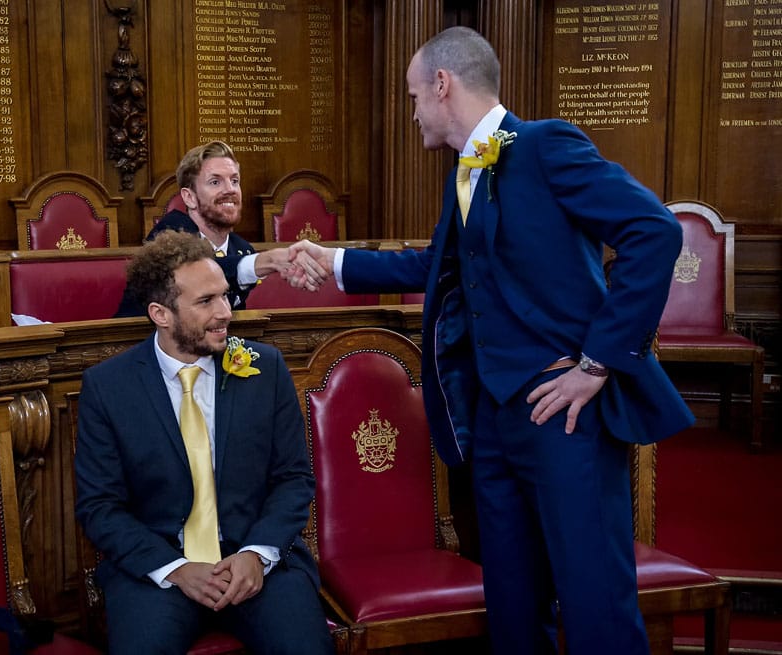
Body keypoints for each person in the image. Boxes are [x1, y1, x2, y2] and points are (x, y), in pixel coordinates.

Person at [289, 26, 694, 655]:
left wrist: (598, 362)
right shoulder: (465, 173)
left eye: (414, 96)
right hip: (494, 419)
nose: (414, 110)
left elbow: (655, 231)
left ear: (442, 85)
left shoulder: (544, 146)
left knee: (593, 603)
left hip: (567, 416)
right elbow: (438, 270)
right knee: (512, 604)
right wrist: (335, 261)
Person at [75, 230, 334, 655]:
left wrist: (257, 553)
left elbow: (293, 478)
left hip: (258, 564)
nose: (225, 313)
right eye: (206, 302)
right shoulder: (108, 387)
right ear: (161, 313)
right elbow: (99, 506)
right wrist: (175, 568)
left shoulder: (265, 369)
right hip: (158, 572)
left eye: (225, 296)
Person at [113, 140, 323, 317]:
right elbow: (198, 273)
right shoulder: (170, 233)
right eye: (215, 182)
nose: (230, 190)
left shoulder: (242, 249)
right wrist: (268, 260)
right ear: (189, 197)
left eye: (234, 181)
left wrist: (300, 268)